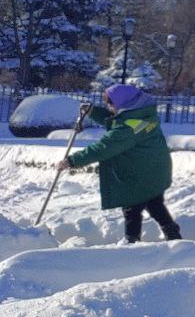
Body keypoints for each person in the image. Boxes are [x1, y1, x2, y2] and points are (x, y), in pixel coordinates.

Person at [58, 83, 182, 243]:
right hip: (154, 171)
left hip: (139, 175)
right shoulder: (142, 115)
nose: (109, 107)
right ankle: (174, 237)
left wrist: (72, 161)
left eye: (111, 104)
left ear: (124, 104)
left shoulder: (128, 128)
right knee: (155, 204)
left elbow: (104, 147)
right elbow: (116, 122)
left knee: (132, 209)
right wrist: (93, 112)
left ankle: (131, 243)